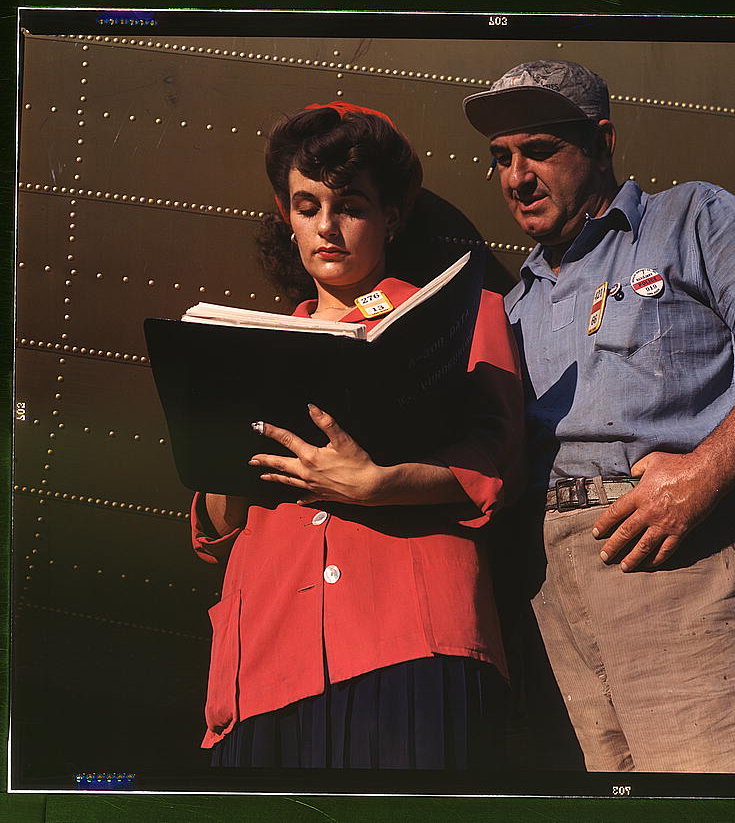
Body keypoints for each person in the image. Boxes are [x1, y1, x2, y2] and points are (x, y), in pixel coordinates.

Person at [463, 61, 735, 774]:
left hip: (689, 559)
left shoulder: (689, 219)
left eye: (539, 150)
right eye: (501, 158)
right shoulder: (515, 304)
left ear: (602, 142)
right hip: (555, 593)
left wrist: (704, 475)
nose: (517, 177)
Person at [191, 101, 524, 769]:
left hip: (408, 644)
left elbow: (499, 457)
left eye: (349, 206)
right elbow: (215, 529)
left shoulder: (465, 313)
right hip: (261, 666)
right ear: (286, 216)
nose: (326, 226)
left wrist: (379, 485)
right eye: (307, 206)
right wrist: (226, 461)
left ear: (391, 215)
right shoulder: (251, 349)